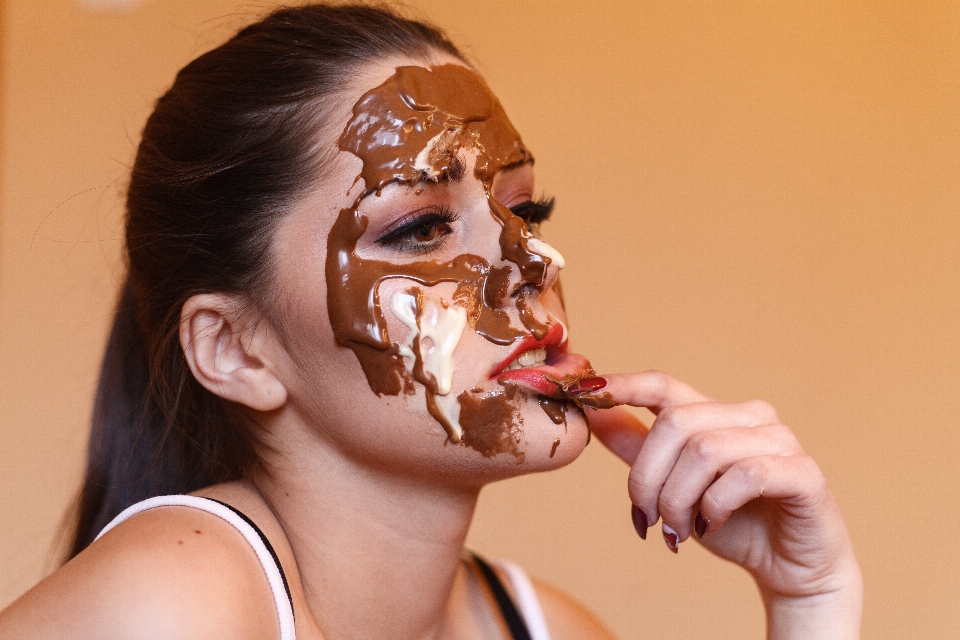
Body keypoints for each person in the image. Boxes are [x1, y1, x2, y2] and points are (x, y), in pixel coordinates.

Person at [0, 4, 862, 639]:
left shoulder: (547, 630)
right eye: (419, 228)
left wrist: (810, 602)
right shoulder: (172, 609)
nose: (530, 266)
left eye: (529, 212)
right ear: (236, 349)